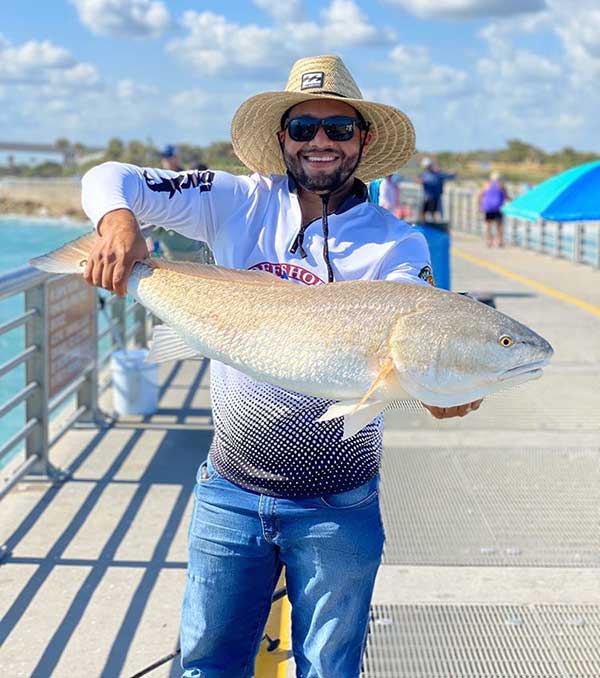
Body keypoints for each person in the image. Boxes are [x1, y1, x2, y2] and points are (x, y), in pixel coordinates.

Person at [80, 55, 482, 678]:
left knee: (327, 668)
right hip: (228, 490)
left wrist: (441, 382)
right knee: (207, 665)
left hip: (338, 506)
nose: (321, 141)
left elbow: (414, 327)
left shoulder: (397, 244)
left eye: (339, 128)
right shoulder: (235, 200)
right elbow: (110, 177)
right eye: (303, 127)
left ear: (364, 140)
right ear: (280, 138)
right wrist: (117, 224)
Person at [152, 146, 213, 262]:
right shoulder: (159, 179)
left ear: (176, 158)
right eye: (165, 158)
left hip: (192, 243)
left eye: (169, 157)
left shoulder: (186, 177)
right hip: (171, 245)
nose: (167, 161)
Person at [419, 157, 456, 222]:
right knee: (424, 211)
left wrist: (453, 174)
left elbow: (449, 177)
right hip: (428, 197)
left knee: (434, 212)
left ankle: (434, 224)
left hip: (436, 197)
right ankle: (425, 223)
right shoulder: (425, 174)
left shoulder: (438, 174)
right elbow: (422, 181)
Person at [479, 171, 509, 247]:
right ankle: (499, 242)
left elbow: (480, 195)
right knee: (499, 226)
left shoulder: (486, 185)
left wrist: (480, 205)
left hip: (488, 208)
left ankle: (488, 242)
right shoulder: (502, 186)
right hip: (498, 208)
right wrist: (514, 202)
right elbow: (506, 197)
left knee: (488, 225)